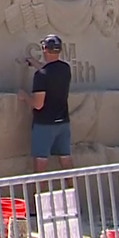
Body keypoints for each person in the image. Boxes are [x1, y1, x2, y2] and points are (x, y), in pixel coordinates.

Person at [18, 34, 73, 173]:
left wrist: (25, 96)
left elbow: (38, 104)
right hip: (63, 122)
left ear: (44, 49)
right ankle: (73, 193)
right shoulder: (65, 69)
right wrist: (35, 63)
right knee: (66, 161)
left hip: (44, 124)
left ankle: (40, 195)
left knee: (41, 164)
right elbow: (51, 71)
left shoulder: (41, 76)